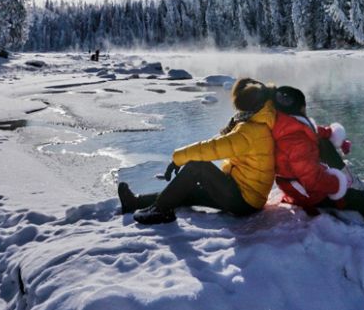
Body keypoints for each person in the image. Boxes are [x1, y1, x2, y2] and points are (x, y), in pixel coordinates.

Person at [270, 85, 364, 248]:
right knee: (360, 199)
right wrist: (339, 185)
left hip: (297, 184)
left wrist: (332, 135)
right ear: (300, 107)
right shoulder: (296, 140)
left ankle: (352, 180)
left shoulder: (284, 123)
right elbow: (312, 181)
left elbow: (312, 131)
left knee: (323, 143)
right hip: (306, 194)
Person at [117, 78, 276, 224]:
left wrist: (178, 158)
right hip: (244, 193)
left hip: (244, 200)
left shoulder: (250, 131)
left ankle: (161, 211)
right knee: (189, 191)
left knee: (198, 167)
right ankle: (136, 202)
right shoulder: (257, 121)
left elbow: (213, 148)